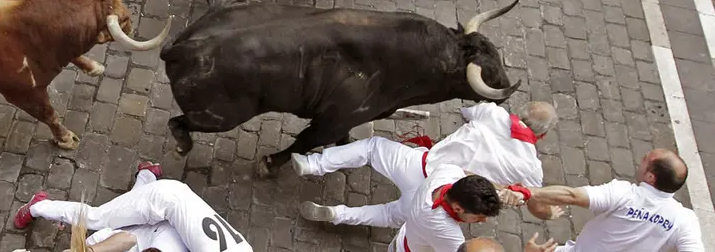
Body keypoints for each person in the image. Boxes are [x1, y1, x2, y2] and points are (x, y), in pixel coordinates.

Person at [292, 100, 560, 227]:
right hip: (443, 199)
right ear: (543, 135)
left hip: (421, 165)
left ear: (521, 112)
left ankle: (313, 164)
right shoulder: (531, 168)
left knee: (373, 148)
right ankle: (338, 215)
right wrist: (551, 213)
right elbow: (535, 202)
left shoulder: (492, 113)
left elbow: (466, 112)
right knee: (389, 214)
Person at [14, 161, 252, 252]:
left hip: (167, 228)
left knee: (130, 217)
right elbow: (127, 238)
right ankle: (39, 205)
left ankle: (147, 174)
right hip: (163, 202)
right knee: (97, 218)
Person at [508, 148, 705, 251]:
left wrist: (527, 192)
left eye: (646, 159)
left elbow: (572, 196)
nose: (641, 160)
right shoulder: (685, 221)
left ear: (651, 177)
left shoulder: (625, 193)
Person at [387, 164, 504, 252]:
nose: (484, 221)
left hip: (407, 236)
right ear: (457, 209)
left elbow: (468, 176)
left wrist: (499, 192)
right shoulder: (444, 231)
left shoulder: (449, 172)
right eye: (478, 217)